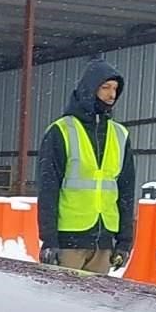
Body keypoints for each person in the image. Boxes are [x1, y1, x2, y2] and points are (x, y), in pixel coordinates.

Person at [33, 58, 136, 276]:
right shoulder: (61, 131)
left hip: (104, 242)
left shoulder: (120, 134)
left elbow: (126, 191)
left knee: (95, 307)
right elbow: (48, 189)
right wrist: (49, 239)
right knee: (60, 305)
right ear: (90, 89)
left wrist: (125, 242)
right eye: (105, 87)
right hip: (69, 240)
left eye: (115, 89)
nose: (112, 95)